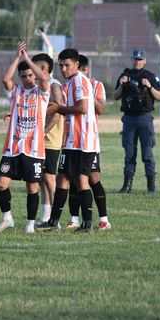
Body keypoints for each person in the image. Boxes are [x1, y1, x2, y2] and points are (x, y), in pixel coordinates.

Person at [38, 48, 99, 233]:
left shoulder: (79, 81)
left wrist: (59, 108)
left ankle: (87, 224)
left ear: (76, 64)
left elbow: (82, 108)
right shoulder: (72, 82)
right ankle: (53, 222)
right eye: (61, 65)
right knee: (62, 179)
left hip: (83, 141)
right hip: (72, 141)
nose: (63, 69)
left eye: (67, 65)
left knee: (81, 180)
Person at [0, 42, 50, 234]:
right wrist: (18, 57)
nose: (27, 79)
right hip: (13, 146)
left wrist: (28, 58)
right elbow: (5, 79)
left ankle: (30, 224)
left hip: (34, 148)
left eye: (30, 75)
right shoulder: (16, 91)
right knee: (1, 183)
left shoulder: (41, 92)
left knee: (32, 186)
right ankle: (7, 218)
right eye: (23, 76)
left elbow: (43, 77)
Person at [64, 55, 110, 230]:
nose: (81, 74)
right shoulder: (69, 84)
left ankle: (103, 219)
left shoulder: (95, 85)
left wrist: (89, 94)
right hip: (72, 139)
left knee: (93, 178)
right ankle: (75, 219)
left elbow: (102, 109)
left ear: (86, 70)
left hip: (89, 139)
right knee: (74, 179)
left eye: (83, 70)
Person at [113, 48, 160, 193]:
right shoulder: (125, 76)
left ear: (145, 61)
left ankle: (151, 186)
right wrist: (122, 85)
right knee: (129, 153)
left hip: (144, 118)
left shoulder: (150, 76)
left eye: (140, 59)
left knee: (147, 153)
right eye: (135, 59)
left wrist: (149, 86)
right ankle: (127, 185)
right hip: (129, 118)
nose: (137, 61)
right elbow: (115, 96)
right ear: (132, 59)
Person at [32, 50, 64, 225]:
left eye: (34, 68)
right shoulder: (41, 85)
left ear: (43, 68)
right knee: (43, 177)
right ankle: (46, 216)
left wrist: (44, 131)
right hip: (40, 139)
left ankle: (55, 219)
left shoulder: (53, 85)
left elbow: (57, 112)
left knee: (50, 178)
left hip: (50, 140)